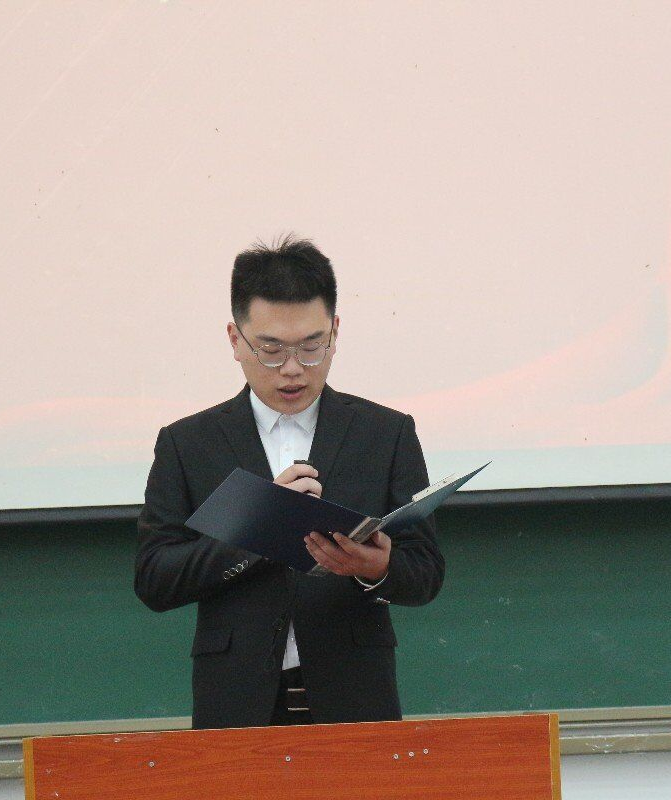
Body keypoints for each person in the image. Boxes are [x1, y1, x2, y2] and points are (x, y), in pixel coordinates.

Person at [134, 234, 445, 729]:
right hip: (236, 701)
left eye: (311, 347)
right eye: (271, 350)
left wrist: (376, 566)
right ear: (235, 340)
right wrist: (260, 524)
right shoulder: (188, 443)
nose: (294, 369)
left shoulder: (386, 433)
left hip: (356, 697)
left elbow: (425, 573)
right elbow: (155, 579)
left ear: (335, 332)